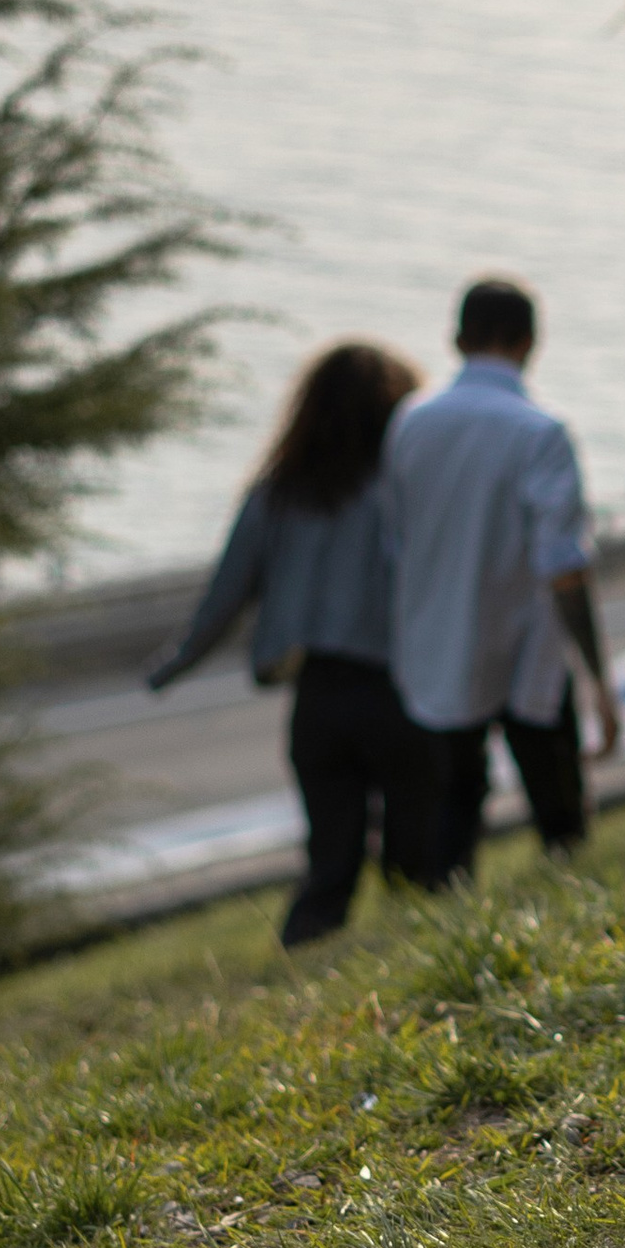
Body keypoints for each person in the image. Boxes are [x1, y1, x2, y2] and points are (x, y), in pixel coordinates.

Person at [145, 341, 442, 947]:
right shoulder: (408, 486)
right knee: (418, 859)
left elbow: (225, 597)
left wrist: (172, 666)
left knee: (330, 860)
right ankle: (423, 967)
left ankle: (301, 963)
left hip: (318, 699)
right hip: (400, 692)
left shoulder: (279, 491)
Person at [385, 277, 623, 881]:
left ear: (456, 338)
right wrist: (598, 677)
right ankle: (569, 909)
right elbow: (564, 568)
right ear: (530, 342)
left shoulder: (410, 424)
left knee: (453, 816)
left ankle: (449, 927)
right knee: (560, 819)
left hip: (437, 646)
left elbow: (394, 541)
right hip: (526, 651)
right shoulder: (539, 432)